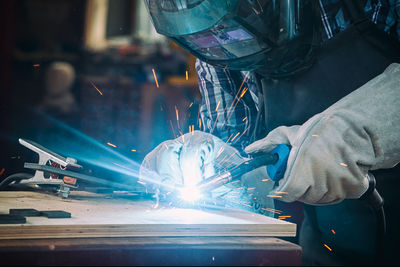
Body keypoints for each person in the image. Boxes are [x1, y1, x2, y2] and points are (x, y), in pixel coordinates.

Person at [140, 0, 400, 265]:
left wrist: (368, 124)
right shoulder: (214, 46)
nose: (224, 40)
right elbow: (241, 161)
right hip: (324, 248)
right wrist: (215, 165)